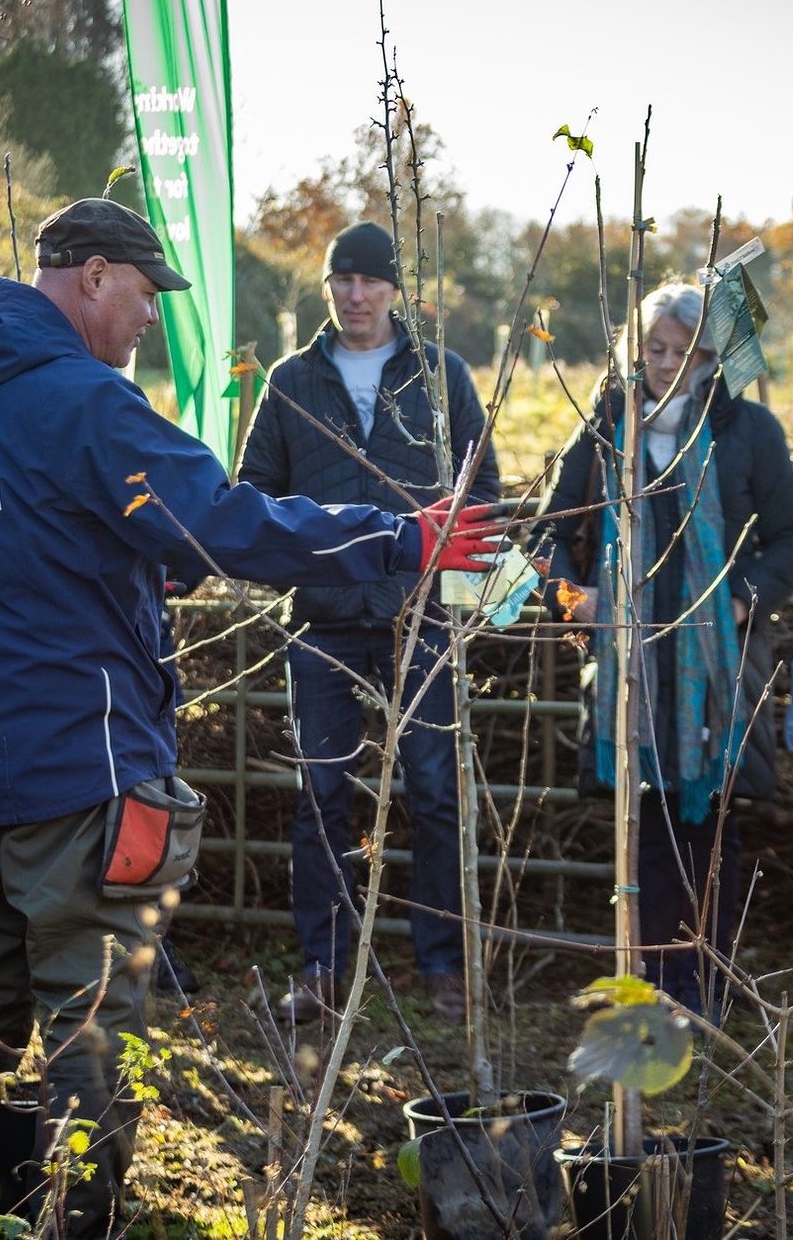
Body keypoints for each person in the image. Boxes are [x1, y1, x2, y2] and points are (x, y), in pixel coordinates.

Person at [0, 198, 499, 1237]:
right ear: (90, 277)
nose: (150, 322)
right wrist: (401, 540)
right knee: (92, 1018)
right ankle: (83, 1221)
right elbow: (227, 520)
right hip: (77, 773)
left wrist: (123, 573)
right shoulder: (82, 401)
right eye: (140, 295)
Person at [237, 221, 501, 1024]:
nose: (356, 295)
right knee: (322, 793)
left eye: (370, 281)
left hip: (417, 615)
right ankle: (322, 968)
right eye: (341, 281)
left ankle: (444, 965)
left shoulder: (440, 374)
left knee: (433, 788)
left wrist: (450, 574)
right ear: (326, 288)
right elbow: (254, 493)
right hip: (320, 620)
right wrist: (301, 562)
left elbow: (478, 484)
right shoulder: (289, 382)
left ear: (397, 291)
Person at [536, 283, 793, 1016]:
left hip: (717, 666)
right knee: (645, 829)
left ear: (708, 358)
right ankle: (653, 983)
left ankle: (705, 982)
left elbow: (790, 534)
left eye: (680, 353)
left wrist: (745, 597)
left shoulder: (745, 430)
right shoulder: (604, 429)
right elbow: (552, 531)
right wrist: (572, 595)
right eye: (652, 349)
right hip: (630, 666)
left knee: (713, 828)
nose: (663, 364)